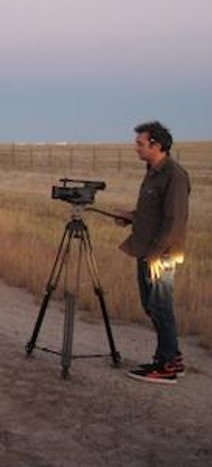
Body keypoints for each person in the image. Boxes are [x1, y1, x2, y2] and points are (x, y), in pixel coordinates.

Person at [115, 121, 190, 384]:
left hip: (162, 254)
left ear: (156, 145)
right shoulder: (153, 172)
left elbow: (174, 220)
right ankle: (172, 357)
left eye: (140, 143)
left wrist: (158, 255)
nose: (136, 148)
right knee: (152, 305)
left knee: (160, 306)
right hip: (147, 250)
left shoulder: (174, 175)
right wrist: (131, 217)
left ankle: (167, 365)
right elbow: (154, 213)